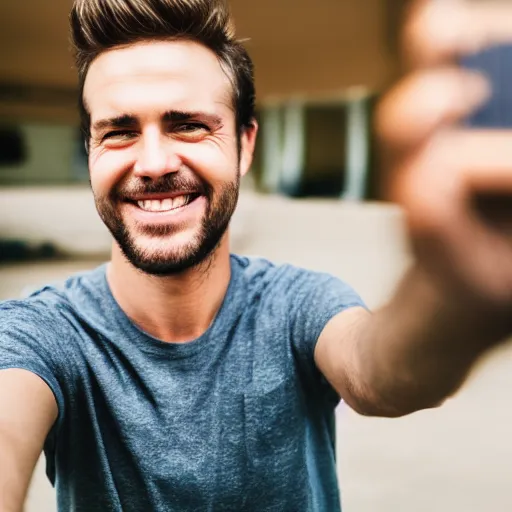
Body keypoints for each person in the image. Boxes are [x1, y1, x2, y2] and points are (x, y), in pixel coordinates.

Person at [1, 0, 512, 510]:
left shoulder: (297, 303)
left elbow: (377, 374)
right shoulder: (40, 332)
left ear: (246, 146)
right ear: (90, 151)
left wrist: (450, 292)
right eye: (119, 132)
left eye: (189, 125)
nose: (153, 163)